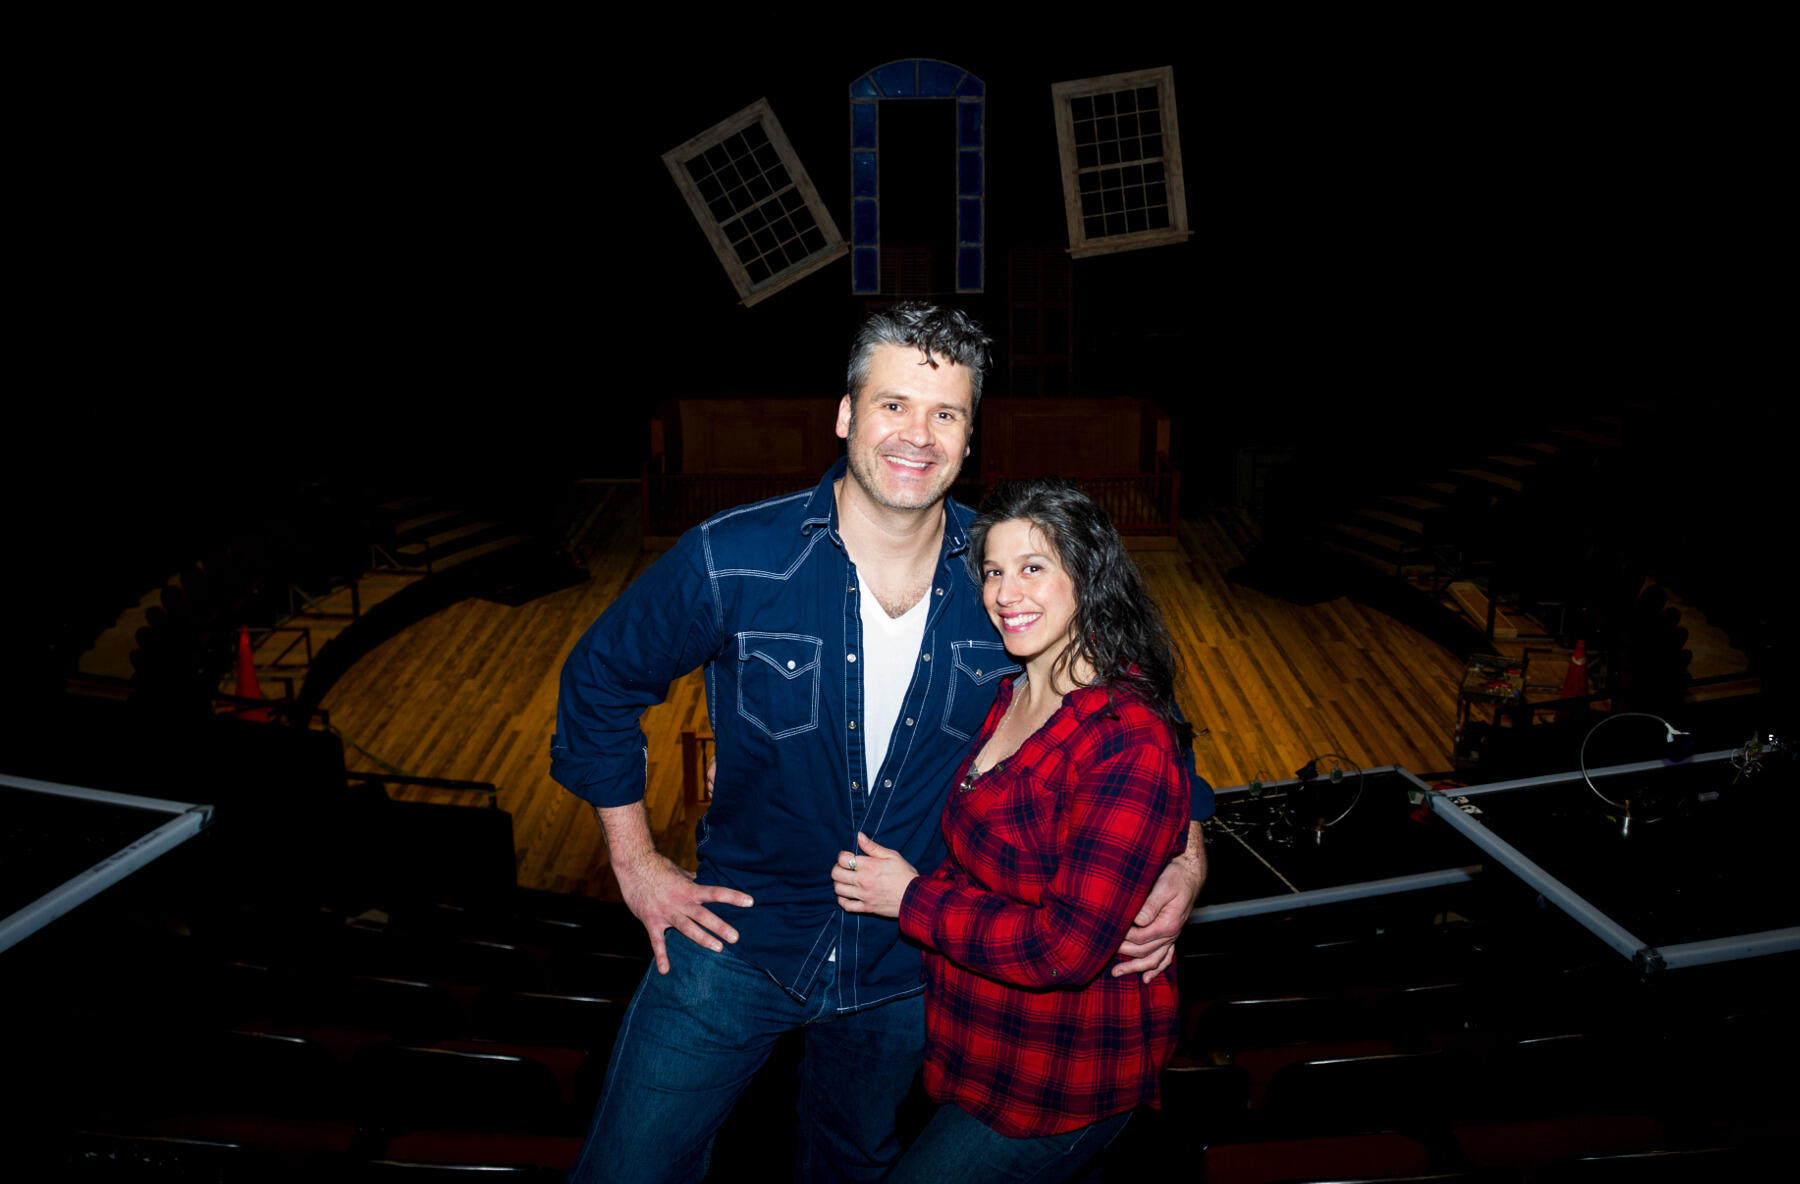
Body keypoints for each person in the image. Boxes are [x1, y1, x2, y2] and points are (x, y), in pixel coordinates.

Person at [550, 304, 1209, 1184]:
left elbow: (1134, 705)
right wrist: (635, 862)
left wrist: (1186, 854)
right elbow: (600, 683)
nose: (917, 435)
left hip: (910, 966)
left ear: (971, 438)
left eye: (946, 414)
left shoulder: (1011, 569)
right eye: (893, 405)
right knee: (627, 1171)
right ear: (845, 415)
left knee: (848, 1167)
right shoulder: (731, 556)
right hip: (737, 940)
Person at [831, 478, 1192, 1183]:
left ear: (1088, 577)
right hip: (981, 1046)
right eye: (994, 571)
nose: (1005, 593)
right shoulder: (1013, 689)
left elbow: (1064, 950)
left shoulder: (1124, 742)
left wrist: (910, 898)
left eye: (1033, 568)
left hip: (1056, 1080)